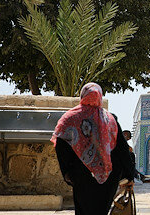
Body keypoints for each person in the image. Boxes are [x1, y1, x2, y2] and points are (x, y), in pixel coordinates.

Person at [52, 83, 135, 215]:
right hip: (109, 177)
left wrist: (67, 172)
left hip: (81, 175)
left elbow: (61, 146)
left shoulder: (70, 118)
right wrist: (129, 175)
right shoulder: (109, 119)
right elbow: (122, 149)